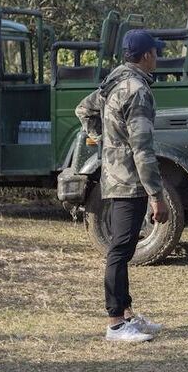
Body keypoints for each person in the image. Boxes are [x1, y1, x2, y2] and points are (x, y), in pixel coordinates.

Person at [76, 30, 170, 342]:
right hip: (129, 181)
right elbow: (143, 148)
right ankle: (116, 323)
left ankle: (127, 314)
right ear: (146, 56)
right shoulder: (137, 89)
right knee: (120, 250)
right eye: (155, 52)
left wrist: (106, 141)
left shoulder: (114, 80)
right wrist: (157, 195)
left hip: (113, 176)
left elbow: (84, 109)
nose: (158, 56)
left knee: (124, 246)